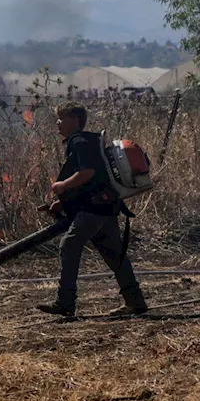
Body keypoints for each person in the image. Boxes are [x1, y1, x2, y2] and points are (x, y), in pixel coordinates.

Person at [36, 102, 148, 320]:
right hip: (105, 208)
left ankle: (65, 302)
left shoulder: (79, 142)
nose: (58, 123)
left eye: (62, 118)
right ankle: (136, 303)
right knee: (115, 256)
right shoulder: (87, 141)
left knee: (69, 245)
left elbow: (86, 173)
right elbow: (92, 181)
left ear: (75, 120)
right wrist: (62, 203)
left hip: (94, 210)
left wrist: (61, 187)